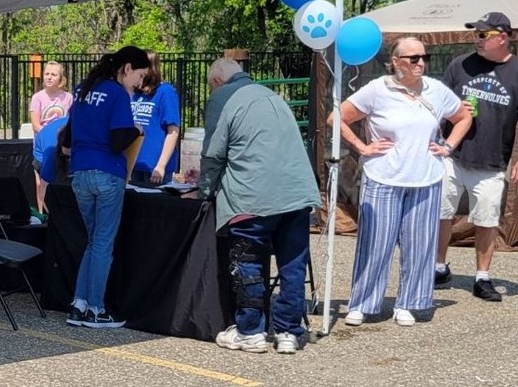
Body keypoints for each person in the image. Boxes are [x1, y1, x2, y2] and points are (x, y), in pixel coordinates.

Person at [334, 37, 471, 329]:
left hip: (426, 177)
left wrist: (448, 146)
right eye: (413, 58)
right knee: (375, 243)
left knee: (420, 245)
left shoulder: (436, 90)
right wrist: (362, 146)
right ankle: (362, 303)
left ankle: (409, 303)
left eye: (424, 57)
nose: (421, 62)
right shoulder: (377, 89)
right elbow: (338, 118)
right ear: (395, 62)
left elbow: (462, 117)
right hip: (383, 176)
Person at [199, 59, 320, 354]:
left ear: (216, 81)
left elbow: (214, 153)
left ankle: (250, 330)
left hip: (252, 195)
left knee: (248, 261)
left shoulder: (223, 97)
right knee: (292, 263)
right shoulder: (272, 96)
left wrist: (204, 190)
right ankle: (288, 332)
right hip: (296, 193)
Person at [59, 46, 150, 328]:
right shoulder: (116, 93)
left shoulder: (82, 90)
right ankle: (96, 309)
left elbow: (68, 135)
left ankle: (80, 304)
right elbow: (117, 140)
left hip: (80, 173)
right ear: (126, 68)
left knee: (92, 241)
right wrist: (136, 129)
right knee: (102, 244)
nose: (140, 83)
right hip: (107, 173)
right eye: (140, 75)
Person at [436, 12, 518, 301]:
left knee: (486, 219)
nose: (477, 40)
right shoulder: (461, 64)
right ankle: (438, 267)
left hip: (492, 161)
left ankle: (482, 277)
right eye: (475, 34)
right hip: (452, 154)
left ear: (503, 37)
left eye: (483, 35)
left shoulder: (516, 71)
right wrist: (454, 112)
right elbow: (438, 104)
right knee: (441, 213)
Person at [129, 51, 181, 188]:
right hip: (134, 165)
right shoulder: (134, 94)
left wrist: (161, 166)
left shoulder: (165, 92)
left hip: (155, 169)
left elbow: (173, 131)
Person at [30, 61, 73, 213]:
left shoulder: (68, 98)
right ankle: (43, 213)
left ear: (61, 79)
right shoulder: (38, 97)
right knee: (41, 182)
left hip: (62, 146)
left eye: (53, 74)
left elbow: (70, 122)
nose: (49, 77)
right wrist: (52, 135)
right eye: (47, 74)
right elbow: (36, 124)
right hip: (44, 145)